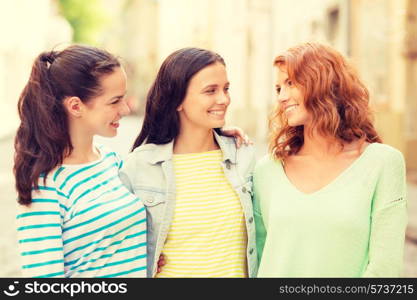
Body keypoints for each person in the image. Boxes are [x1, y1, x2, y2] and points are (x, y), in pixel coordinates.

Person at [254, 42, 408, 277]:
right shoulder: (268, 169)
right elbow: (260, 256)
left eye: (291, 83)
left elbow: (385, 269)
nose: (282, 97)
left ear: (324, 83)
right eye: (278, 89)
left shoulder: (383, 163)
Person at [120, 47, 258, 278]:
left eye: (226, 89)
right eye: (210, 90)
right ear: (177, 100)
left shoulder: (243, 156)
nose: (223, 99)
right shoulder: (140, 165)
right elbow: (118, 245)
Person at [14, 45, 147, 278]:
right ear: (76, 106)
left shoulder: (110, 160)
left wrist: (217, 138)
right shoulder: (45, 186)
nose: (125, 109)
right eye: (115, 101)